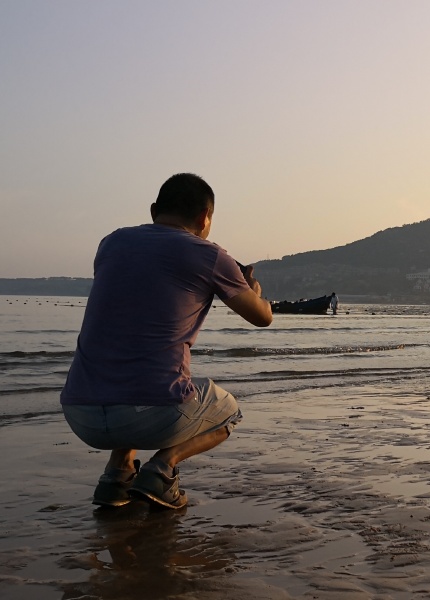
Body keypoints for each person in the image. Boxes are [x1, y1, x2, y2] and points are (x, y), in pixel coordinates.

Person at [60, 173, 274, 509]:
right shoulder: (210, 255)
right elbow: (262, 317)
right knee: (229, 410)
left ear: (154, 210)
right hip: (151, 415)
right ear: (205, 217)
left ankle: (116, 477)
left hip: (79, 412)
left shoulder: (111, 243)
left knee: (133, 368)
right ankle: (161, 470)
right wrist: (252, 291)